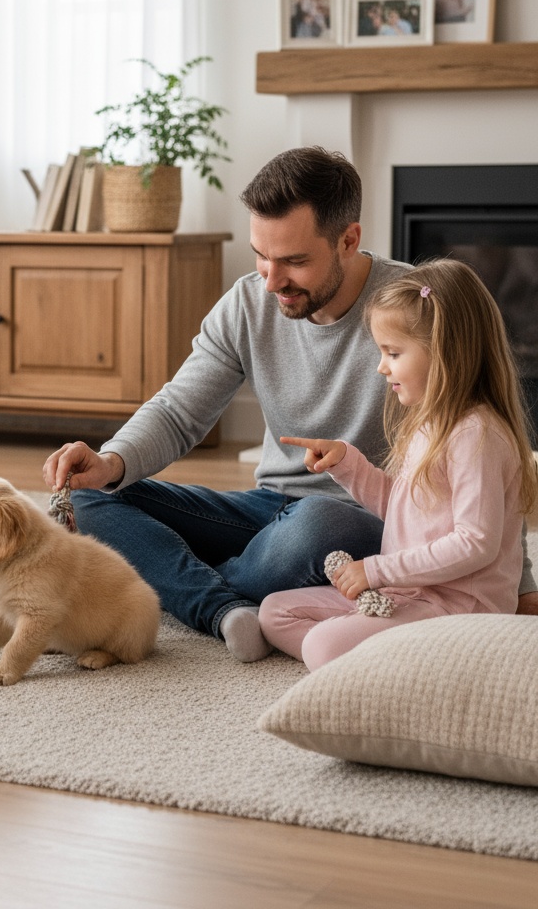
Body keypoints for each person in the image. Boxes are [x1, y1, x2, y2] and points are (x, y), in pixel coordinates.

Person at [43, 147, 538, 662]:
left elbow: (485, 463)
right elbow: (178, 410)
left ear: (349, 239)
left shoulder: (410, 311)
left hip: (352, 523)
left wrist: (519, 585)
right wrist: (111, 460)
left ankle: (179, 578)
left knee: (318, 522)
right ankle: (223, 607)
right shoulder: (248, 302)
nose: (272, 280)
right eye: (262, 255)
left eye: (294, 261)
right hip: (264, 510)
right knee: (89, 496)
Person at [260, 260, 538, 669]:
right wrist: (348, 465)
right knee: (274, 611)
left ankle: (400, 664)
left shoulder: (475, 434)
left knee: (322, 645)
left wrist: (376, 571)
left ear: (444, 352)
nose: (381, 366)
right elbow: (404, 510)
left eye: (392, 352)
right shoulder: (431, 423)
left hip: (458, 609)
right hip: (410, 594)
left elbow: (476, 542)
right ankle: (382, 654)